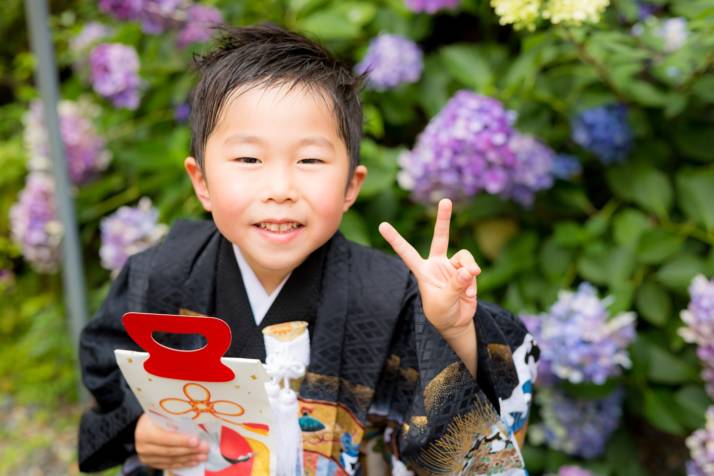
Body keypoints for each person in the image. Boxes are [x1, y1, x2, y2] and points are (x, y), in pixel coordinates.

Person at [78, 23, 539, 476]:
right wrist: (136, 429)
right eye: (248, 159)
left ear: (350, 186)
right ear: (201, 181)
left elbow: (456, 439)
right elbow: (111, 373)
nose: (280, 188)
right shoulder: (162, 275)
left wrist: (453, 330)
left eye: (310, 160)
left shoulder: (384, 296)